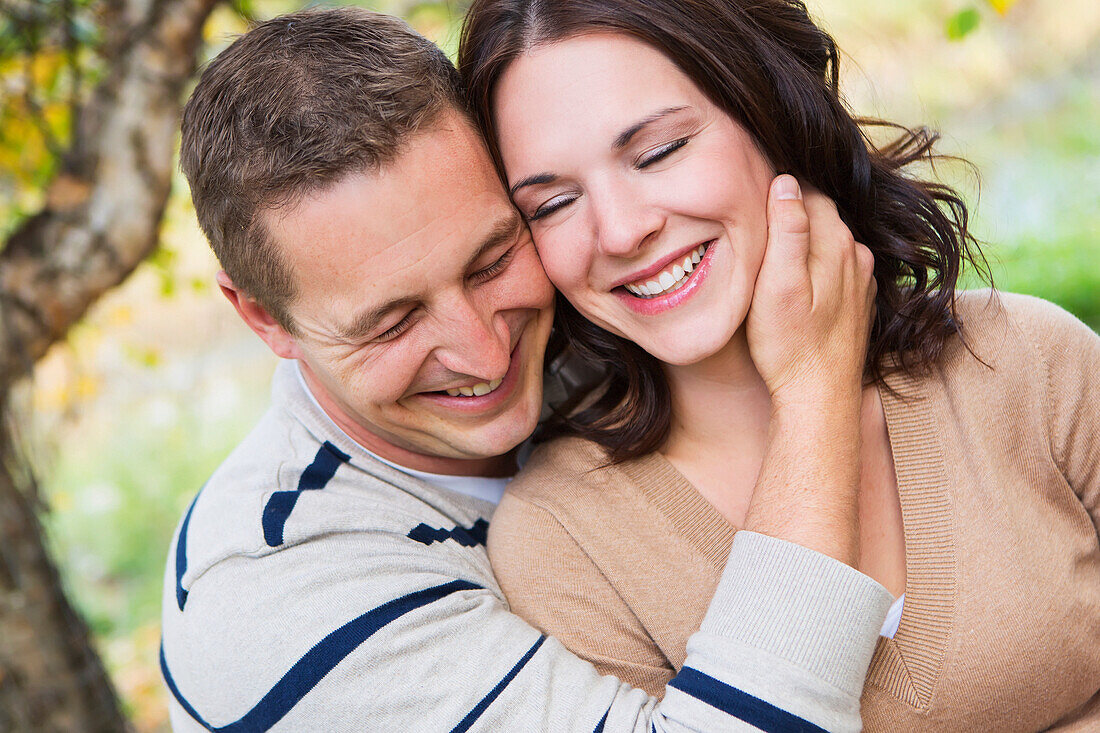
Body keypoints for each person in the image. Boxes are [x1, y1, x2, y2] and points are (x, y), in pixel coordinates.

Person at [159, 7, 895, 732]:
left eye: (491, 261)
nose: (485, 352)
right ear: (261, 316)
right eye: (394, 322)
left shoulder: (596, 331)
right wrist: (812, 390)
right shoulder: (276, 595)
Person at [458, 0, 1100, 730]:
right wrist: (810, 391)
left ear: (774, 110)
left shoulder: (1028, 359)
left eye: (659, 152)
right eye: (554, 203)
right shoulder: (563, 541)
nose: (620, 230)